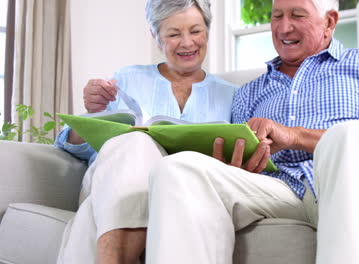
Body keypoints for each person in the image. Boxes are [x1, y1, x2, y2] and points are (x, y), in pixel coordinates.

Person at [145, 0, 359, 263]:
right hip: (279, 189)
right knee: (177, 169)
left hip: (350, 183)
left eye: (297, 15)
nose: (284, 28)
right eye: (277, 16)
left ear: (329, 22)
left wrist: (294, 136)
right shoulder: (249, 92)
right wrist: (237, 163)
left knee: (349, 135)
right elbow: (244, 172)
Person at [54, 0, 237, 263]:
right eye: (174, 34)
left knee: (90, 216)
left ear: (207, 30)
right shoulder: (127, 79)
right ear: (155, 36)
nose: (187, 43)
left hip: (180, 192)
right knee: (136, 142)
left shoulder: (231, 94)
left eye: (195, 31)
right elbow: (72, 147)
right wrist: (94, 113)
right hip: (111, 182)